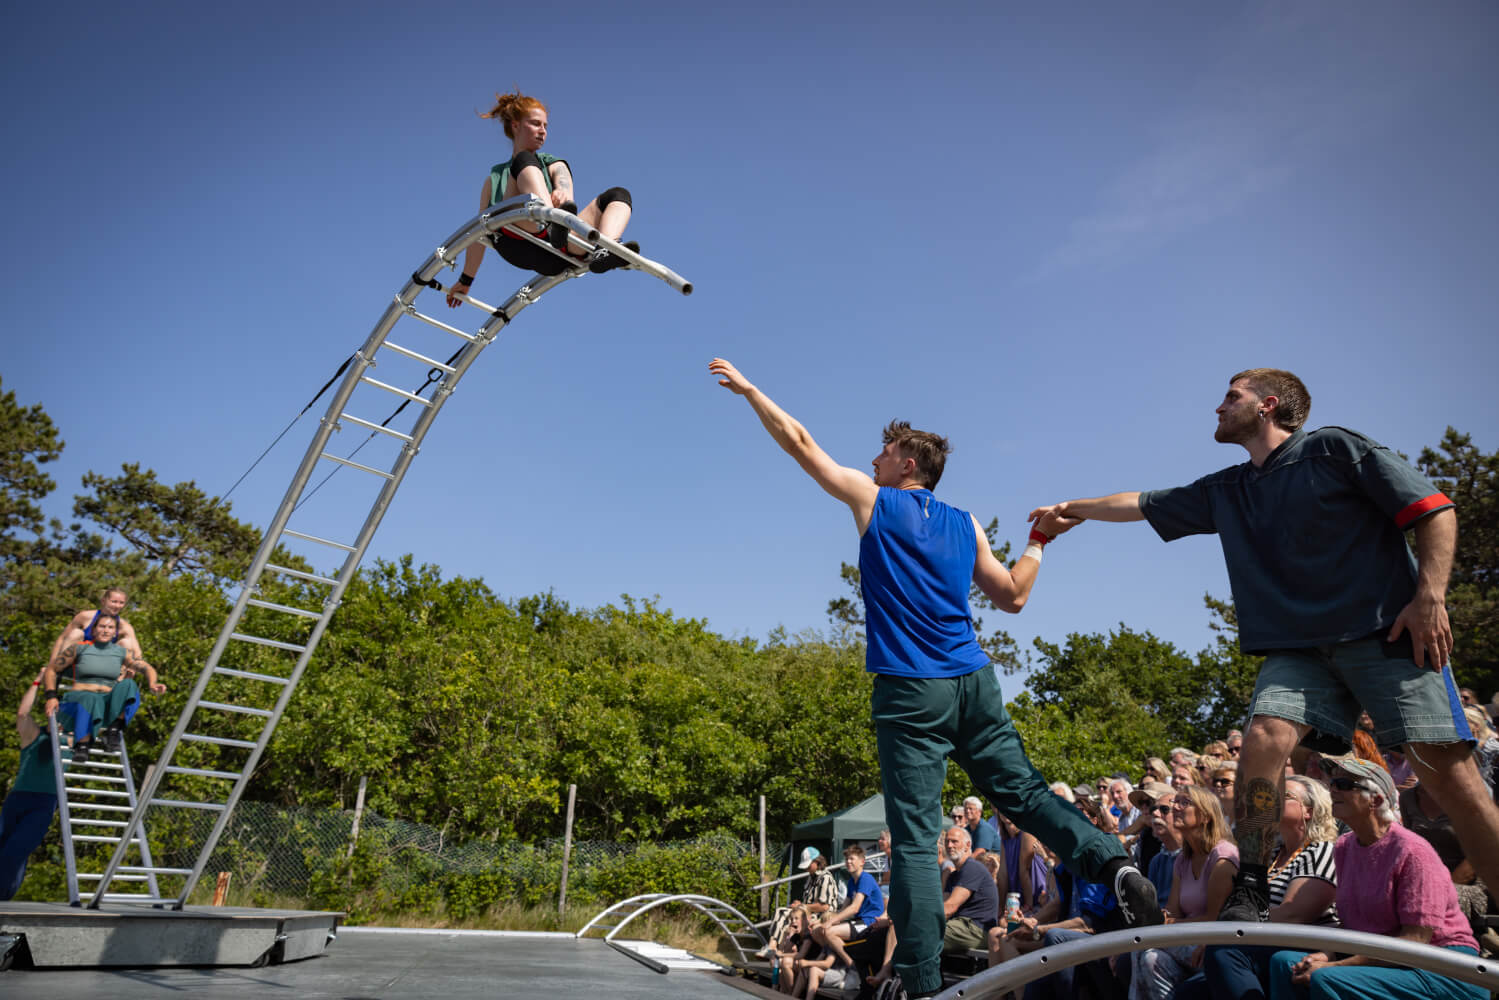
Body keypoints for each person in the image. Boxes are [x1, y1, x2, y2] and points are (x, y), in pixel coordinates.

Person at [710, 358, 1160, 997]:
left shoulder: (876, 501)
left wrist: (754, 392)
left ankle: (918, 981)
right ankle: (1113, 863)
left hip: (911, 688)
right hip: (974, 681)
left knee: (917, 840)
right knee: (1026, 793)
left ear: (907, 467)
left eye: (885, 451)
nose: (873, 459)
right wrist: (1037, 540)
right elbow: (1012, 597)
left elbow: (804, 446)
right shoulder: (966, 520)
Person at [1030, 367, 1499, 923]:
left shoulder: (1332, 449)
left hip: (1384, 630)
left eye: (1231, 397)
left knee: (1452, 776)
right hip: (1299, 650)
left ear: (1269, 405)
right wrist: (1073, 510)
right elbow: (1141, 502)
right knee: (1264, 736)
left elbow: (1433, 508)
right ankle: (1251, 882)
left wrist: (1430, 598)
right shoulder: (1230, 489)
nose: (1218, 407)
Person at [1267, 754, 1485, 1000]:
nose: (1333, 790)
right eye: (1333, 784)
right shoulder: (1344, 847)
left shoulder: (1412, 850)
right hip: (1387, 957)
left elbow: (1415, 940)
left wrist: (1335, 966)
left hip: (1441, 965)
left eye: (1345, 785)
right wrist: (1327, 954)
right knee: (1284, 962)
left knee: (1325, 977)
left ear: (1376, 800)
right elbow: (1352, 926)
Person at [446, 89, 636, 305]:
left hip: (559, 251)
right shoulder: (494, 179)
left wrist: (564, 196)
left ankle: (606, 247)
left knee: (618, 195)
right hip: (518, 240)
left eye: (545, 126)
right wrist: (466, 279)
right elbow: (479, 232)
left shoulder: (551, 162)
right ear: (516, 125)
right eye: (536, 124)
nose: (543, 131)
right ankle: (552, 220)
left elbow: (562, 176)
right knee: (523, 161)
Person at [1174, 775, 1339, 1000]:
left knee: (1224, 953)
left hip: (1302, 945)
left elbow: (1293, 914)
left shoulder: (1321, 851)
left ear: (1308, 811)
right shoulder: (1271, 854)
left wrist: (1226, 931)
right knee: (1189, 992)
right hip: (1260, 942)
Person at [1131, 785, 1238, 1000]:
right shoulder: (1183, 859)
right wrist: (1164, 920)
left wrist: (1166, 924)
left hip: (1214, 942)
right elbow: (1172, 912)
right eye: (1175, 803)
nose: (1175, 808)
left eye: (1184, 803)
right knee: (1150, 959)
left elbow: (1215, 919)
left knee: (1141, 943)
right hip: (1186, 938)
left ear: (1206, 816)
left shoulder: (1223, 856)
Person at [43, 616, 162, 756]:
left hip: (103, 707)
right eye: (102, 627)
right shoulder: (79, 648)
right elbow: (51, 669)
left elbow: (146, 668)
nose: (106, 631)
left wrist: (152, 683)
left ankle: (113, 730)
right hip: (77, 705)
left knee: (129, 684)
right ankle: (82, 743)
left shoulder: (121, 652)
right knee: (90, 698)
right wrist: (51, 696)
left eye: (110, 628)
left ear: (115, 633)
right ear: (93, 630)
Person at [1, 671, 60, 900]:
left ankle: (3, 899)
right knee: (5, 847)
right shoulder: (34, 735)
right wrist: (38, 681)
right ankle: (6, 896)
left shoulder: (70, 743)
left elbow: (98, 723)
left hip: (44, 802)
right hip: (18, 798)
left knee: (17, 849)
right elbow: (22, 713)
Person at [809, 844, 883, 973]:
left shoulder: (866, 878)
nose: (848, 862)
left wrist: (831, 922)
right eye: (847, 859)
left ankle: (854, 966)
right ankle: (838, 962)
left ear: (862, 862)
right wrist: (822, 922)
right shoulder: (851, 881)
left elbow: (854, 908)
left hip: (869, 922)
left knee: (830, 932)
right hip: (858, 921)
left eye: (852, 859)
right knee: (817, 931)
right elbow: (844, 908)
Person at [763, 846, 841, 957]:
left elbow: (824, 906)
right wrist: (799, 905)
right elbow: (808, 902)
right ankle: (772, 946)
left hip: (822, 915)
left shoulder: (825, 878)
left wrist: (802, 906)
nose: (806, 869)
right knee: (781, 911)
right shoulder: (811, 877)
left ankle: (776, 949)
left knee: (789, 918)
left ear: (817, 862)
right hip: (808, 912)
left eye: (808, 865)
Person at [938, 826, 999, 955]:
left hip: (977, 929)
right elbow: (942, 905)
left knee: (923, 935)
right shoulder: (954, 875)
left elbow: (949, 908)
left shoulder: (972, 868)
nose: (949, 845)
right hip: (961, 927)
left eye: (954, 841)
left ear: (968, 845)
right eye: (947, 841)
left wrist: (921, 921)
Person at [48, 586, 143, 664]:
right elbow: (62, 638)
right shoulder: (85, 616)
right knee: (76, 633)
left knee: (126, 643)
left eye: (121, 603)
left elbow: (137, 652)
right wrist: (51, 663)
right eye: (114, 601)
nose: (117, 606)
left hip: (105, 661)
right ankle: (59, 667)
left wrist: (138, 667)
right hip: (80, 659)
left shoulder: (124, 626)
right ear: (103, 601)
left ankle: (120, 679)